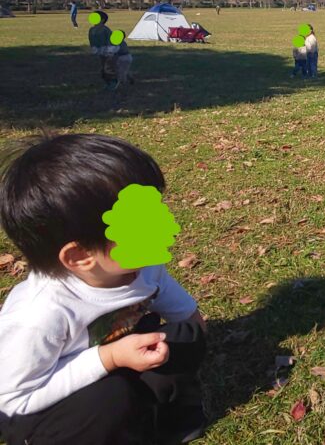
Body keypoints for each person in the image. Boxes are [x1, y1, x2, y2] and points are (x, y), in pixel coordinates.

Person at [0, 134, 207, 445]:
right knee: (110, 398)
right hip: (42, 403)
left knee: (183, 337)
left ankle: (164, 414)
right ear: (80, 256)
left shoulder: (142, 266)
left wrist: (193, 331)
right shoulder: (39, 315)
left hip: (121, 352)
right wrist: (108, 358)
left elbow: (180, 308)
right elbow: (14, 399)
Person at [87, 11, 116, 89]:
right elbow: (91, 40)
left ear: (102, 20)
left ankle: (113, 82)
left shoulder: (105, 30)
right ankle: (108, 82)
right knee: (103, 67)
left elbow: (111, 40)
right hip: (99, 51)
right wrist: (93, 48)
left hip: (107, 51)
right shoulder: (91, 30)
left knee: (108, 67)